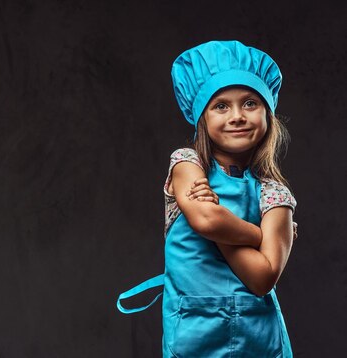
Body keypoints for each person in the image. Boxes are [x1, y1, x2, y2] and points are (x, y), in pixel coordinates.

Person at [116, 40, 298, 357]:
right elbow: (205, 219)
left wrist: (220, 224)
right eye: (221, 106)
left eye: (251, 104)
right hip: (193, 332)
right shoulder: (187, 163)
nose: (238, 115)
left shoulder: (274, 191)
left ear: (268, 114)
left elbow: (262, 279)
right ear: (201, 117)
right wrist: (258, 235)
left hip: (258, 337)